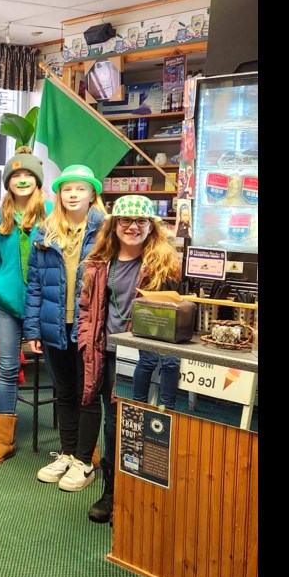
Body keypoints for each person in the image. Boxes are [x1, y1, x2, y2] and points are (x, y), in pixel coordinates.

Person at [77, 195, 180, 523]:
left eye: (140, 221)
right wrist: (85, 341)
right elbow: (86, 308)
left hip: (148, 358)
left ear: (151, 226)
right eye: (125, 221)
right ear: (114, 225)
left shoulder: (163, 265)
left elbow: (175, 315)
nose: (133, 227)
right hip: (108, 355)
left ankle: (147, 495)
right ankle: (112, 492)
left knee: (150, 423)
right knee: (114, 424)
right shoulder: (98, 263)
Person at [24, 164, 107, 491]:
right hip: (54, 325)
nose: (73, 194)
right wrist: (32, 330)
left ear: (92, 195)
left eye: (80, 189)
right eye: (67, 189)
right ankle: (69, 454)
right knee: (64, 392)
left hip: (89, 328)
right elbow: (34, 284)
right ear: (59, 195)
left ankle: (85, 462)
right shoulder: (45, 232)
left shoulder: (105, 232)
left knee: (87, 394)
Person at [0, 147, 52, 466]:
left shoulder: (52, 210)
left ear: (37, 180)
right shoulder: (1, 215)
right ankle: (3, 439)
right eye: (15, 176)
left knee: (62, 372)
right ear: (8, 182)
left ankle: (77, 442)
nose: (21, 180)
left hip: (46, 302)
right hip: (8, 301)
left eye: (27, 175)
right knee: (7, 368)